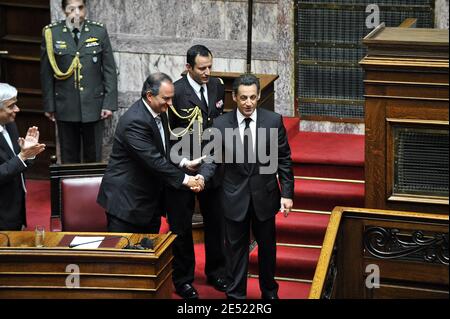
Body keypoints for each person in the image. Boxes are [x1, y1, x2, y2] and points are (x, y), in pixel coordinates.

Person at [200, 74, 294, 299]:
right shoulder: (221, 124)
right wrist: (202, 178)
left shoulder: (273, 120)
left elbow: (284, 159)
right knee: (235, 252)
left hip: (266, 196)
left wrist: (287, 193)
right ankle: (236, 296)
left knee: (268, 250)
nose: (249, 103)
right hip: (234, 197)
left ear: (259, 96)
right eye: (243, 98)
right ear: (234, 97)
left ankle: (269, 292)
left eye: (253, 97)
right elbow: (211, 158)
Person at [97, 73, 204, 235]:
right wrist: (187, 179)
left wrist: (184, 163)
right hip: (127, 204)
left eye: (171, 98)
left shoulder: (160, 112)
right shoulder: (135, 121)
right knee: (127, 258)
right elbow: (153, 160)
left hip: (149, 203)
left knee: (149, 254)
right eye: (166, 98)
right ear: (149, 96)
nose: (170, 103)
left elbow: (161, 150)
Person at [166, 45, 227, 299]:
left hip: (212, 167)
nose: (207, 72)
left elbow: (218, 124)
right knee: (181, 225)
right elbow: (168, 136)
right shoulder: (175, 93)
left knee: (216, 222)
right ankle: (183, 279)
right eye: (202, 68)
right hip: (184, 166)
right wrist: (184, 164)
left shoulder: (217, 86)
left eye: (210, 67)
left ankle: (216, 271)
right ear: (188, 67)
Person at [40, 0, 118, 164]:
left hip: (94, 105)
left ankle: (92, 190)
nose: (77, 12)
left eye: (81, 8)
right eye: (71, 9)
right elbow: (46, 72)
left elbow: (110, 70)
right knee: (69, 157)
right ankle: (70, 189)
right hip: (65, 105)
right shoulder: (52, 33)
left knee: (94, 156)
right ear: (64, 10)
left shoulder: (98, 31)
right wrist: (50, 106)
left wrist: (108, 103)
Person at [0, 83, 46, 231]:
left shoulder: (10, 125)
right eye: (11, 106)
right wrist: (22, 156)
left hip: (15, 205)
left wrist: (28, 153)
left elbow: (17, 161)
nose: (17, 109)